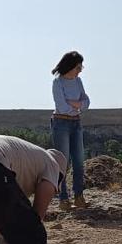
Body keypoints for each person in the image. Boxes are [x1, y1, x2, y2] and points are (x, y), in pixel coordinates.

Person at [51, 51, 90, 210]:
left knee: (79, 161)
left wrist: (74, 104)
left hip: (76, 123)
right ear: (70, 66)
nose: (80, 70)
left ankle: (79, 197)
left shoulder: (78, 81)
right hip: (61, 123)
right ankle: (63, 199)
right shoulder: (57, 82)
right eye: (78, 67)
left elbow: (86, 102)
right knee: (63, 162)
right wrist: (77, 105)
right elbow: (62, 106)